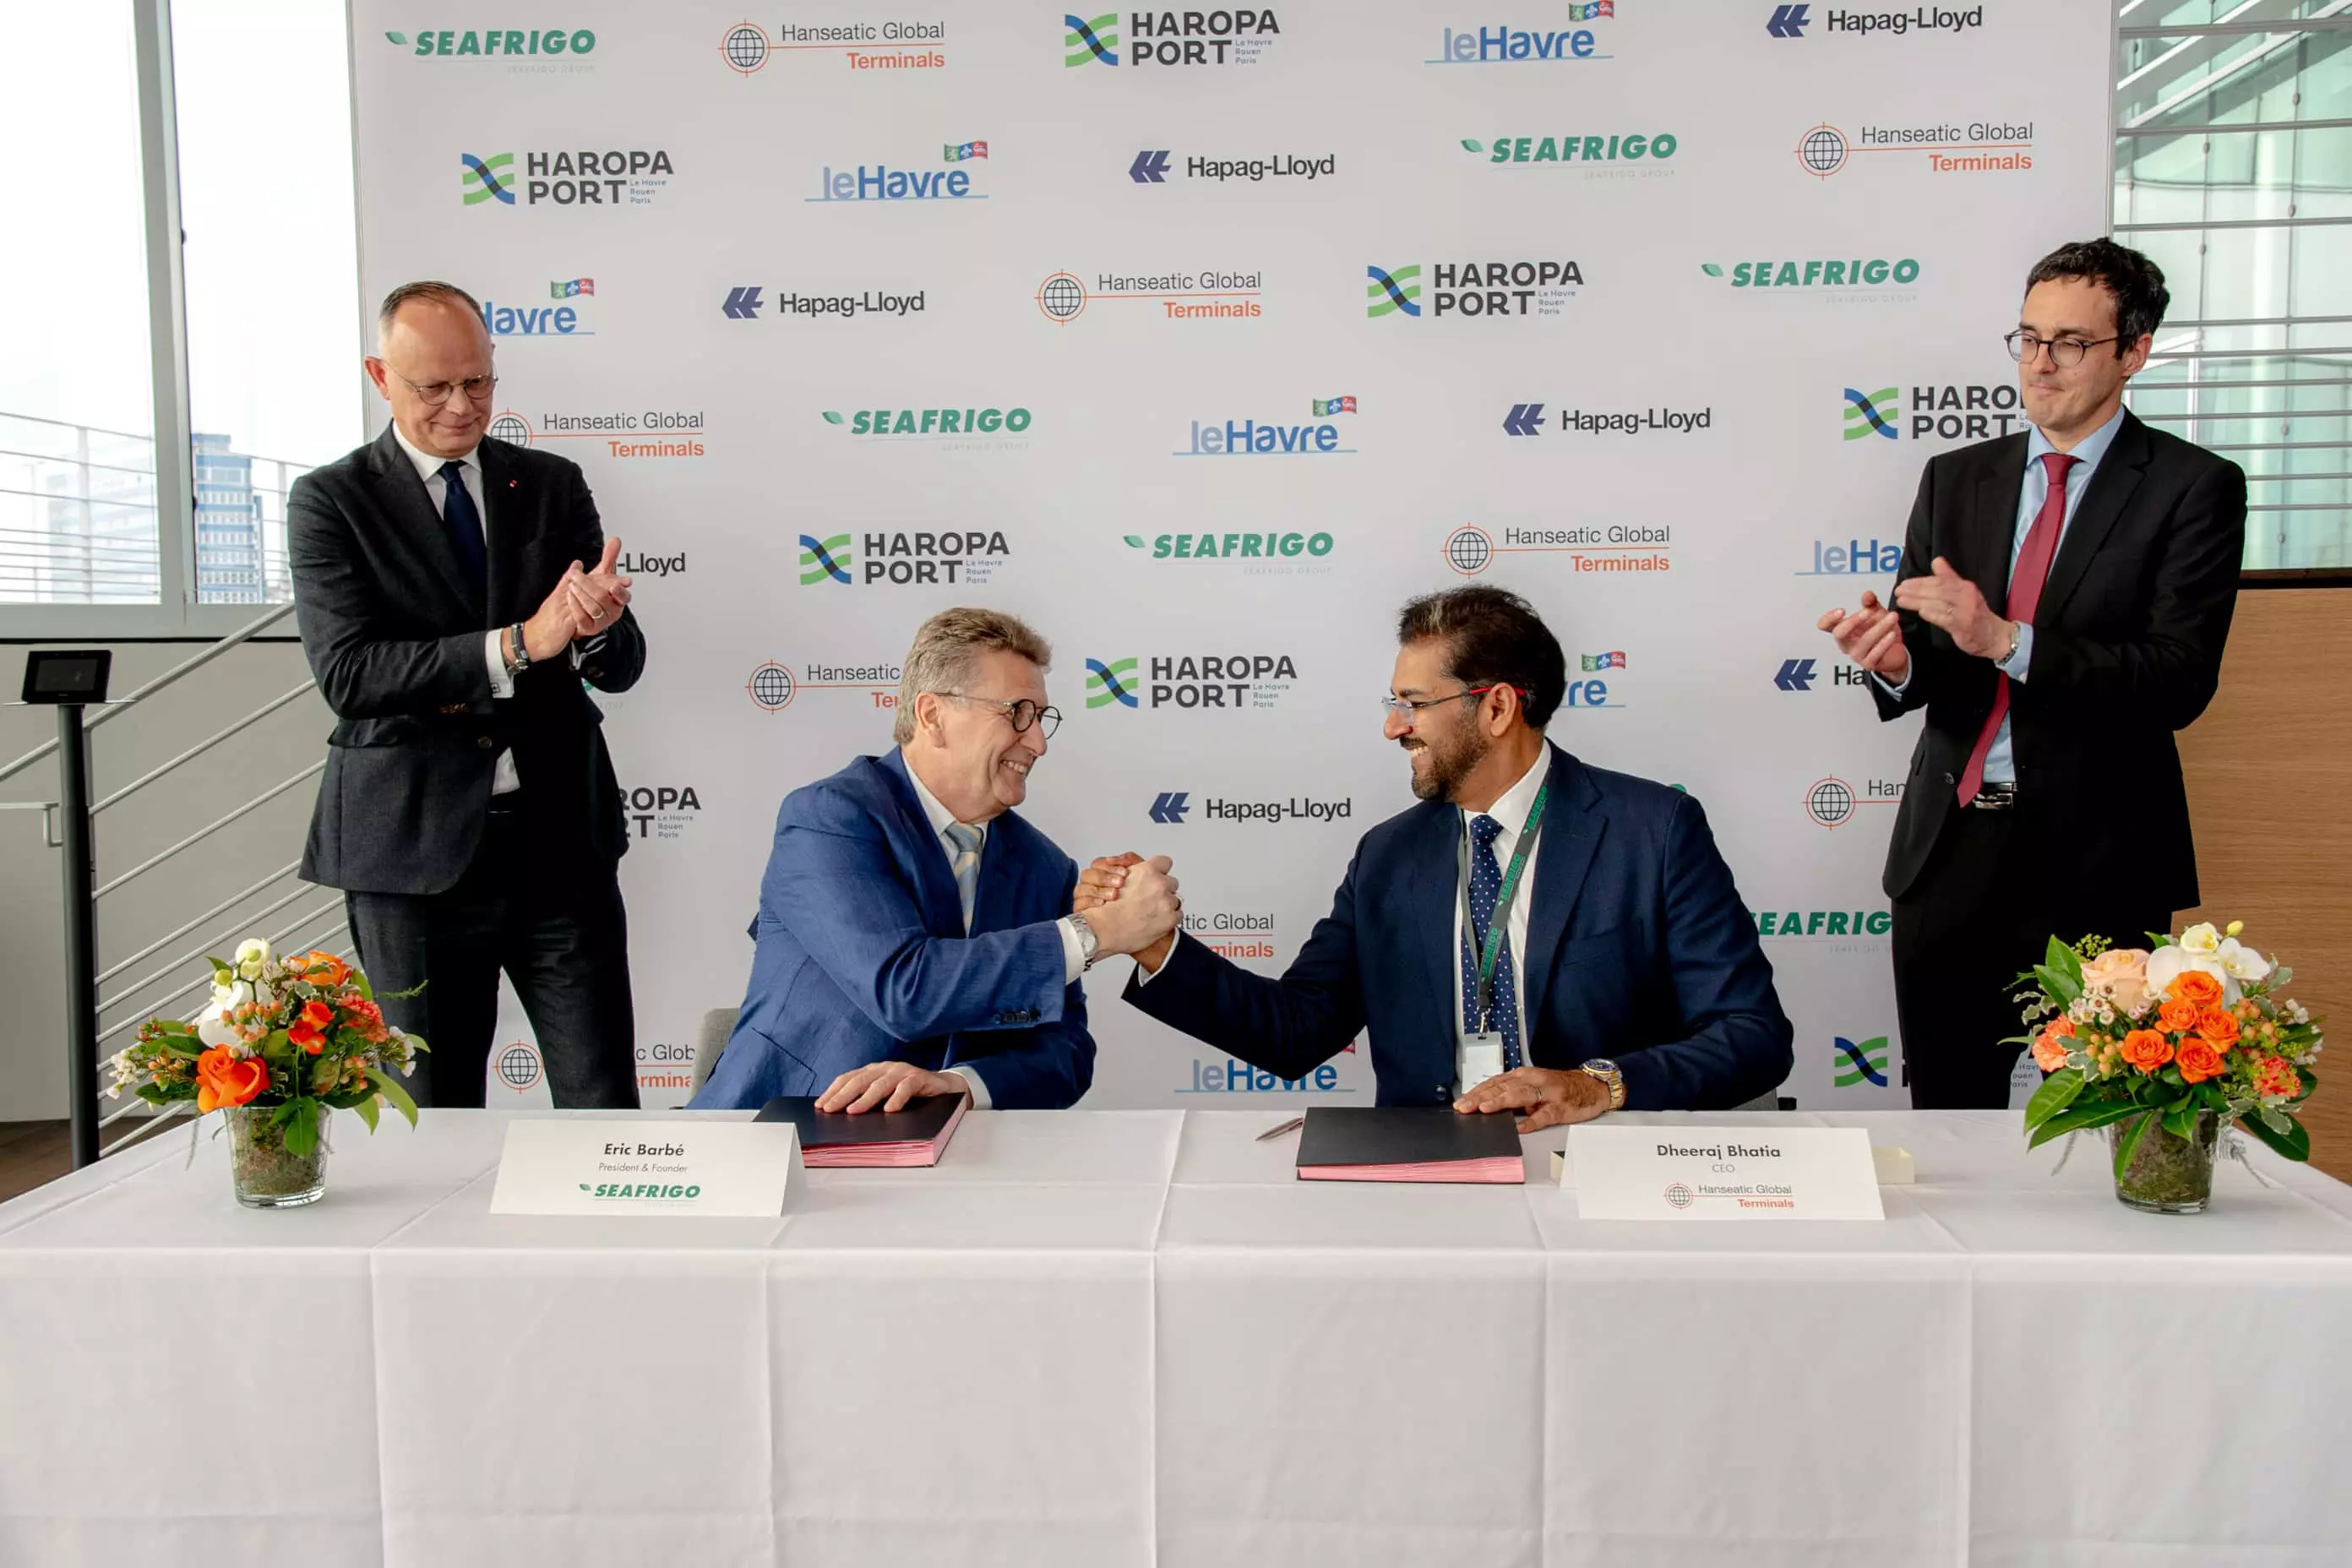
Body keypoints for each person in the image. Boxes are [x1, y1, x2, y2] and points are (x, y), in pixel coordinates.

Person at [1081, 585, 1792, 1130]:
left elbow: (1752, 1035)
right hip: (1430, 1183)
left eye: (1414, 703)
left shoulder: (1654, 829)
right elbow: (1298, 1030)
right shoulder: (1388, 855)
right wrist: (1157, 948)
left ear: (1497, 708)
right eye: (1394, 702)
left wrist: (1594, 1084)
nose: (1394, 726)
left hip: (1599, 1172)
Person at [1817, 237, 2246, 1108]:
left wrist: (2009, 640)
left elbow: (2177, 678)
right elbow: (1934, 655)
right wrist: (1898, 661)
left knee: (2093, 1125)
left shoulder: (2193, 487)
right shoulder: (1956, 478)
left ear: (2134, 351)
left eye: (2071, 343)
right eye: (2027, 338)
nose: (2041, 364)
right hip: (1950, 849)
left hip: (2098, 856)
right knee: (1946, 1117)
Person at [289, 280, 645, 1108]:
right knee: (432, 1111)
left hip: (559, 841)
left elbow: (619, 663)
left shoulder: (551, 483)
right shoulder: (331, 501)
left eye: (478, 382)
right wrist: (521, 645)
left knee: (602, 1104)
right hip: (412, 855)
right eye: (434, 386)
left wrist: (595, 625)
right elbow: (352, 675)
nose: (461, 405)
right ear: (382, 377)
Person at [691, 608, 1179, 1113]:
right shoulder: (829, 819)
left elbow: (1065, 1052)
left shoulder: (1045, 866)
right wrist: (1096, 931)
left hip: (954, 1164)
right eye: (1018, 713)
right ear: (933, 715)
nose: (1038, 743)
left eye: (1040, 718)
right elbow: (905, 990)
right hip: (779, 1143)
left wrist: (960, 1084)